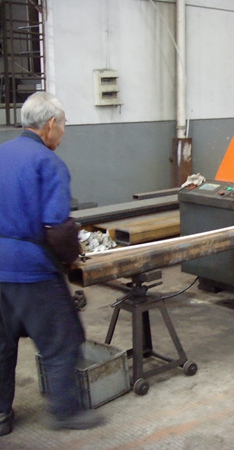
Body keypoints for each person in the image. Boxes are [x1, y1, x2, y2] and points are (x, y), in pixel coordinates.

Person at [0, 92, 104, 434]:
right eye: (63, 125)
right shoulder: (48, 163)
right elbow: (56, 228)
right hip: (30, 270)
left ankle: (1, 415)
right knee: (62, 340)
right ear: (50, 125)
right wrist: (72, 259)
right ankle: (65, 412)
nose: (63, 132)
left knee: (2, 344)